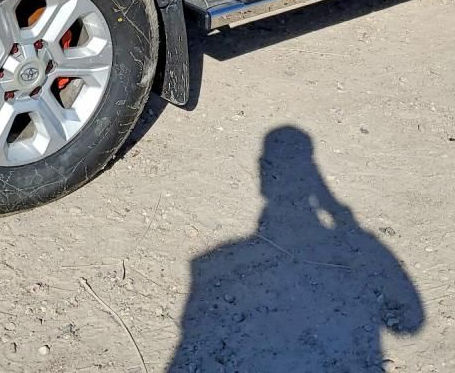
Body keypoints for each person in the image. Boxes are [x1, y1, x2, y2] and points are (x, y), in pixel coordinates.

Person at [168, 126, 424, 371]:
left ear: (262, 175)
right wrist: (340, 214)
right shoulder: (363, 245)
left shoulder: (207, 263)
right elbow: (411, 323)